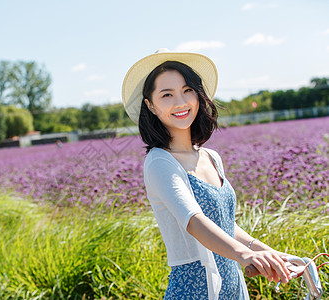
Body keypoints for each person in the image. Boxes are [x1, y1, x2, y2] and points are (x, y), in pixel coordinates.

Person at [121, 49, 291, 299]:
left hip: (232, 289)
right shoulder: (159, 162)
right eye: (167, 94)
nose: (180, 102)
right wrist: (245, 255)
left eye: (187, 90)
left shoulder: (211, 157)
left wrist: (273, 254)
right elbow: (194, 221)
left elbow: (224, 224)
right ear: (151, 106)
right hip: (194, 292)